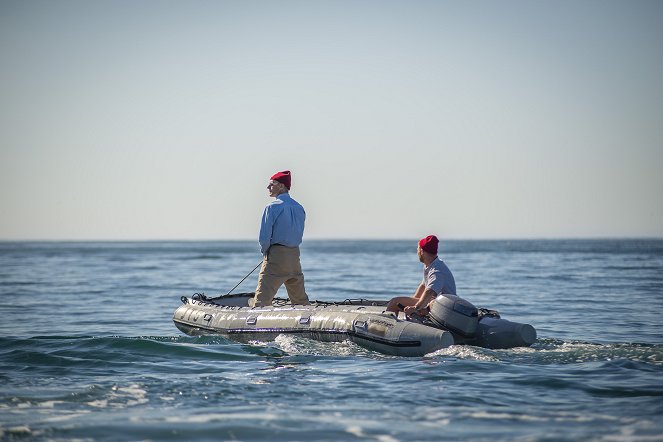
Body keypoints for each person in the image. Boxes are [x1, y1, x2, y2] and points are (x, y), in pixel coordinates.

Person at [252, 170, 310, 307]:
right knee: (300, 300)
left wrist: (265, 254)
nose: (268, 188)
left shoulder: (271, 207)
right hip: (295, 256)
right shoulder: (299, 207)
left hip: (276, 257)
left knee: (262, 300)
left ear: (281, 186)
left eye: (272, 184)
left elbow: (264, 238)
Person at [386, 235, 456, 317]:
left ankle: (381, 327)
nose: (417, 251)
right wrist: (412, 303)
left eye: (418, 249)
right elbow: (423, 286)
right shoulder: (431, 265)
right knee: (402, 304)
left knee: (394, 302)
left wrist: (416, 307)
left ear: (422, 251)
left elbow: (429, 291)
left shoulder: (437, 271)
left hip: (443, 310)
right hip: (433, 305)